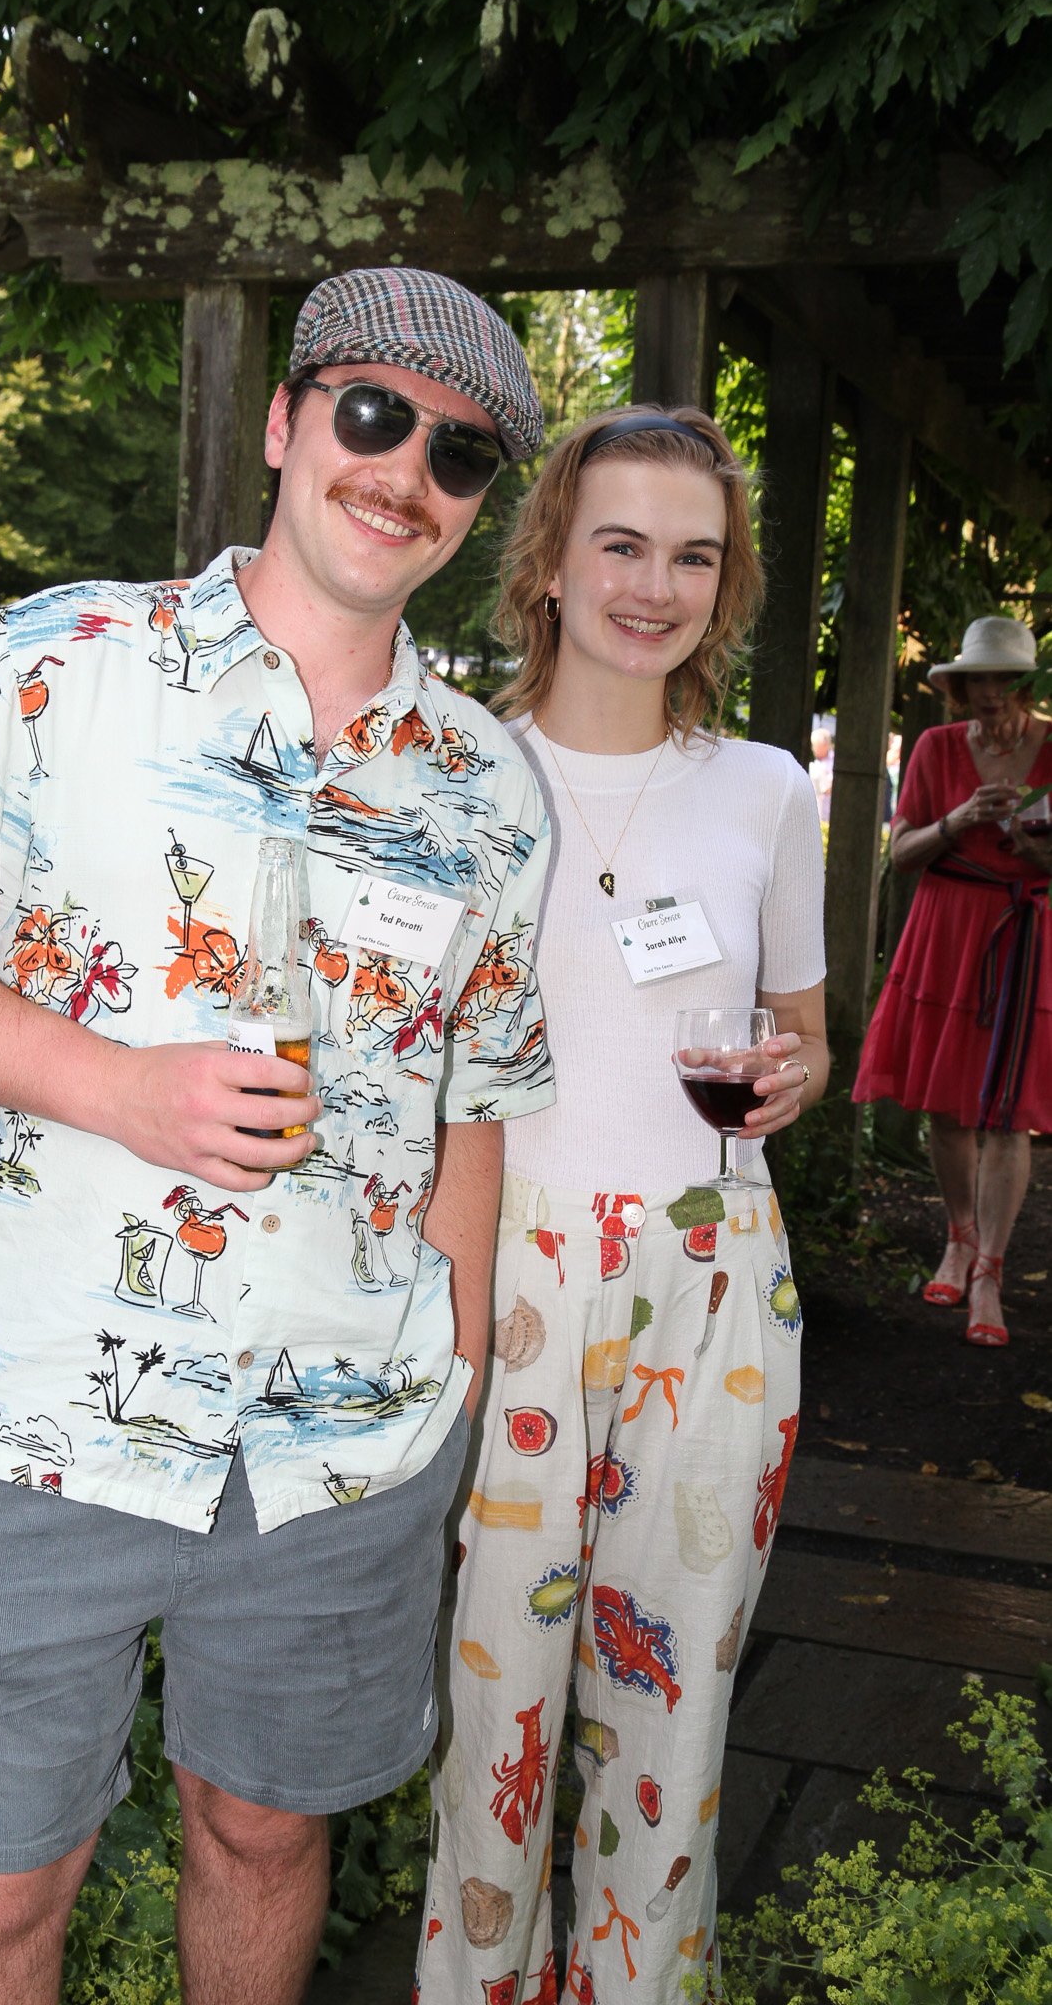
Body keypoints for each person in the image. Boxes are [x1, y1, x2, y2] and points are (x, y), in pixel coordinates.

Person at [0, 267, 557, 2005]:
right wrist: (128, 1089)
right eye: (374, 413)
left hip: (344, 1449)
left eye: (458, 453)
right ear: (291, 425)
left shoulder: (485, 785)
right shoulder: (54, 662)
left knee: (265, 1832)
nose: (407, 470)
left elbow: (474, 1105)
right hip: (34, 1411)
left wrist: (448, 1375)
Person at [413, 405, 828, 2005]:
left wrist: (792, 1076)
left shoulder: (764, 791)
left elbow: (801, 1031)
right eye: (621, 544)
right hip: (499, 1270)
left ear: (725, 590)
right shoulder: (450, 767)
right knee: (493, 1703)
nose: (654, 585)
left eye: (693, 556)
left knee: (676, 1713)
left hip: (714, 1285)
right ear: (549, 562)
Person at [853, 615, 1050, 1348]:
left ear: (1021, 684)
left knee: (1009, 1112)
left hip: (1023, 932)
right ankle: (959, 1237)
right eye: (974, 684)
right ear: (960, 686)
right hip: (944, 930)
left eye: (999, 683)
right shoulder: (935, 749)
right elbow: (900, 852)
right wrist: (959, 819)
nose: (986, 697)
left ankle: (990, 1273)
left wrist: (1026, 847)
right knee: (949, 1106)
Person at [809, 723, 835, 826]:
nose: (813, 749)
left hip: (829, 810)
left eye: (815, 746)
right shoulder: (814, 762)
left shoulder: (834, 761)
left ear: (825, 745)